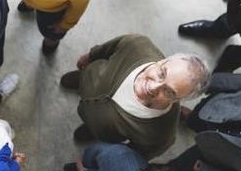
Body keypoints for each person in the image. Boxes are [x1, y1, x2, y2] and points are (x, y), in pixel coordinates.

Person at [58, 34, 211, 159]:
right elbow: (107, 49)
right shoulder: (137, 45)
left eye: (169, 91)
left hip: (101, 130)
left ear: (178, 100)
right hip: (90, 76)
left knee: (96, 128)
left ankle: (90, 130)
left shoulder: (161, 135)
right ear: (163, 60)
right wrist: (90, 56)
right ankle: (81, 79)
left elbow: (133, 155)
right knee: (81, 78)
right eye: (161, 73)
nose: (152, 87)